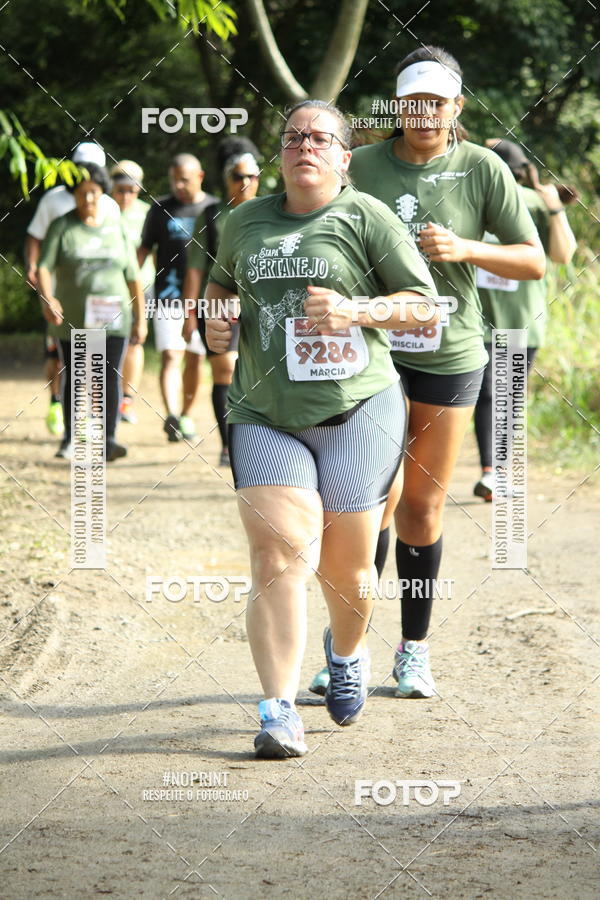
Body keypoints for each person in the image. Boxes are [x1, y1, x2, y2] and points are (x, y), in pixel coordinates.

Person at [309, 46, 545, 701]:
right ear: (398, 104)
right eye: (412, 100)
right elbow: (323, 235)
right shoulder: (364, 168)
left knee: (420, 507)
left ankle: (413, 651)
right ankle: (344, 651)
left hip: (450, 354)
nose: (423, 112)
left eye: (436, 101)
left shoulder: (483, 168)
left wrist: (467, 248)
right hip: (375, 356)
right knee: (365, 505)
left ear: (456, 107)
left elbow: (534, 260)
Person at [204, 100, 439, 758]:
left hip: (358, 409)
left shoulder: (366, 217)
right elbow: (219, 293)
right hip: (264, 412)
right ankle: (278, 710)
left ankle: (347, 650)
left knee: (349, 569)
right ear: (280, 155)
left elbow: (423, 309)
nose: (304, 146)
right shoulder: (244, 221)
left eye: (320, 138)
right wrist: (214, 325)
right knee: (279, 552)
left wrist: (355, 310)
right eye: (292, 138)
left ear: (343, 156)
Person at [473, 139, 578, 500]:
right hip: (483, 319)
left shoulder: (528, 202)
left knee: (497, 396)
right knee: (499, 397)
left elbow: (563, 254)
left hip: (515, 319)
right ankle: (493, 472)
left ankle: (493, 472)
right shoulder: (482, 198)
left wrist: (554, 210)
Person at [37, 163, 146, 460]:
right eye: (81, 194)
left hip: (113, 317)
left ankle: (108, 440)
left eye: (94, 194)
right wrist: (48, 298)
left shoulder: (117, 227)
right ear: (73, 195)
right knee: (77, 375)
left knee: (109, 375)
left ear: (103, 194)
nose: (87, 201)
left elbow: (133, 275)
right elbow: (43, 268)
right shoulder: (62, 226)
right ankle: (71, 439)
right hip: (72, 317)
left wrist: (141, 318)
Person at [24, 142, 120, 437]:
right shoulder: (53, 201)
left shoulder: (108, 204)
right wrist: (34, 270)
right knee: (61, 357)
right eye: (80, 168)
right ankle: (58, 404)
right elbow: (34, 237)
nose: (86, 175)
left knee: (98, 360)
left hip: (100, 294)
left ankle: (96, 420)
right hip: (60, 292)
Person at [183, 137, 260, 465]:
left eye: (251, 176)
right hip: (220, 305)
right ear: (227, 179)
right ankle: (230, 444)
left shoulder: (271, 210)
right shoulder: (212, 216)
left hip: (260, 308)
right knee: (224, 372)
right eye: (238, 177)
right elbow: (195, 270)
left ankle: (259, 438)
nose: (245, 183)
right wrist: (190, 313)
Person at [138, 153, 217, 442]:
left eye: (184, 179)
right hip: (169, 294)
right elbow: (144, 249)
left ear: (199, 176)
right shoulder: (160, 209)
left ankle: (185, 414)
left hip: (206, 298)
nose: (178, 185)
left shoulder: (213, 209)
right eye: (174, 180)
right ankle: (171, 415)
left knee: (196, 359)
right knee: (171, 355)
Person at [110, 159, 155, 426]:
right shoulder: (101, 209)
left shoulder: (148, 212)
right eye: (121, 189)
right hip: (108, 291)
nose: (127, 195)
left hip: (142, 288)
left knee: (135, 341)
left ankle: (127, 399)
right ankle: (103, 399)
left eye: (133, 190)